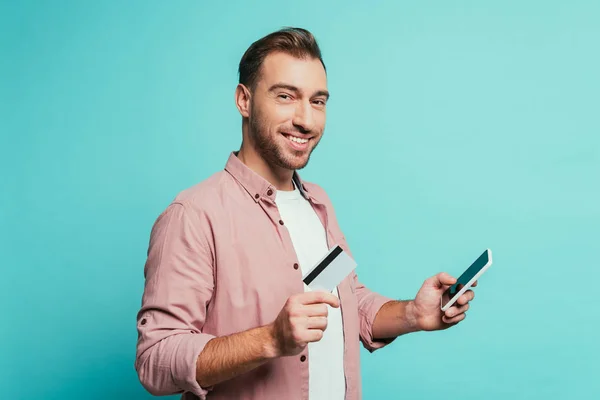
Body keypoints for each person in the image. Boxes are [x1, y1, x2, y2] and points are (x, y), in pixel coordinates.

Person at [135, 27, 475, 400]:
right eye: (286, 96)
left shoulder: (319, 203)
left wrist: (414, 314)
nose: (306, 121)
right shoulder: (194, 215)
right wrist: (270, 339)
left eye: (318, 101)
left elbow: (348, 299)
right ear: (243, 100)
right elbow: (155, 358)